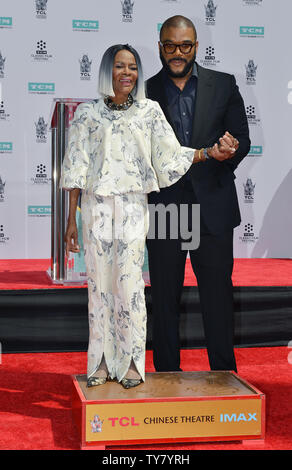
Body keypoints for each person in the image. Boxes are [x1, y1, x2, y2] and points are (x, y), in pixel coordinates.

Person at [60, 44, 235, 390]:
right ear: (107, 71)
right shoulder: (86, 114)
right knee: (99, 288)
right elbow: (76, 168)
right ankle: (101, 362)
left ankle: (132, 365)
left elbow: (170, 156)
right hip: (95, 210)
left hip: (132, 210)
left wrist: (208, 153)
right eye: (120, 66)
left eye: (133, 67)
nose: (127, 73)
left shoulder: (149, 112)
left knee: (130, 289)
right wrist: (71, 220)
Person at [146, 16, 251, 374]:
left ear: (196, 46)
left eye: (185, 45)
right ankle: (165, 380)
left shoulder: (224, 84)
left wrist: (230, 149)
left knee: (218, 299)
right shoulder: (144, 93)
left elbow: (242, 139)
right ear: (160, 46)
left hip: (213, 205)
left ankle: (224, 377)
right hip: (165, 208)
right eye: (170, 46)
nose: (178, 53)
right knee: (163, 301)